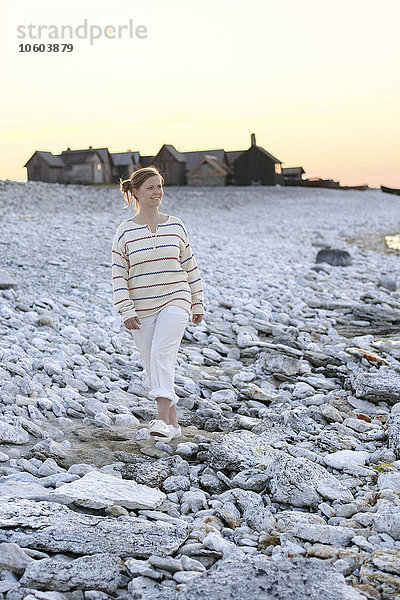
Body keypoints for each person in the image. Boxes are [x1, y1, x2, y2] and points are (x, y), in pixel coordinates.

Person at [111, 166, 205, 443]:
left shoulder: (176, 225)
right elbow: (119, 274)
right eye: (151, 187)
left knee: (161, 354)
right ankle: (174, 425)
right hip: (141, 307)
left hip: (176, 298)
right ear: (136, 192)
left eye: (160, 186)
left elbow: (190, 265)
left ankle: (162, 420)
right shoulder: (124, 231)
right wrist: (125, 309)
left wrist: (197, 302)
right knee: (153, 361)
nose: (157, 192)